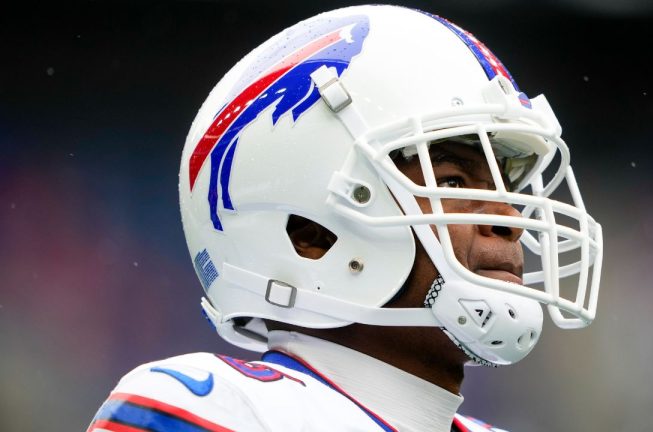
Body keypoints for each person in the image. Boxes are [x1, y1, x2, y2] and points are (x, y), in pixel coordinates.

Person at [88, 4, 603, 432]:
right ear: (311, 235)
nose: (509, 219)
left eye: (505, 188)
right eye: (451, 182)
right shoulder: (219, 410)